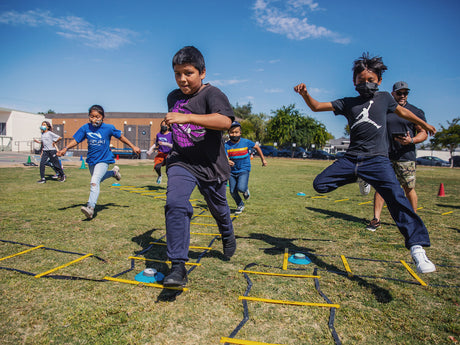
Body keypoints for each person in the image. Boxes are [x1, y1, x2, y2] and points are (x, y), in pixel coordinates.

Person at [293, 53, 436, 273]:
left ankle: (417, 250)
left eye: (371, 80)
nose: (366, 84)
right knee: (319, 185)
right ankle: (360, 177)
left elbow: (404, 111)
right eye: (361, 81)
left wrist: (423, 124)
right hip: (351, 159)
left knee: (398, 199)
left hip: (378, 160)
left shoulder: (386, 98)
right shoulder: (348, 102)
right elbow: (317, 107)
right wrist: (305, 94)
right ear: (354, 82)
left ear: (379, 81)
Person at [162, 46, 236, 287]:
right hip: (181, 160)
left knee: (219, 209)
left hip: (210, 165)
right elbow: (176, 125)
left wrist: (188, 117)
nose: (182, 79)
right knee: (175, 203)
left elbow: (225, 122)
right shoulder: (173, 97)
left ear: (202, 72)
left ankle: (227, 233)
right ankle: (178, 267)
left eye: (188, 73)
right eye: (177, 74)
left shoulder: (212, 94)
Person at [57, 105, 141, 219]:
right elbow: (76, 140)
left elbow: (121, 137)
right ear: (89, 117)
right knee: (98, 179)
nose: (94, 119)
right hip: (92, 160)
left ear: (102, 117)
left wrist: (133, 146)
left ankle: (90, 208)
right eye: (92, 116)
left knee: (94, 180)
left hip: (104, 159)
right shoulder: (85, 128)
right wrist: (65, 149)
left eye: (97, 116)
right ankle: (113, 173)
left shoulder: (109, 128)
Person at [367, 81, 428, 232]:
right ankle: (376, 219)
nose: (402, 96)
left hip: (405, 156)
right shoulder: (385, 110)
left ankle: (413, 220)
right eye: (399, 93)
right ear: (392, 94)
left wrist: (411, 140)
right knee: (381, 187)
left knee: (408, 188)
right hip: (385, 155)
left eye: (405, 93)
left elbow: (423, 133)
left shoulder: (415, 111)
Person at [224, 121, 267, 214]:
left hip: (244, 169)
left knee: (241, 188)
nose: (234, 134)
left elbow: (257, 147)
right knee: (232, 191)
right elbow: (225, 156)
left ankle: (245, 190)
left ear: (240, 133)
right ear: (228, 133)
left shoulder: (246, 142)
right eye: (231, 132)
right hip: (232, 171)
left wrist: (263, 159)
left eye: (236, 132)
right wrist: (227, 161)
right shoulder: (226, 145)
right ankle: (240, 204)